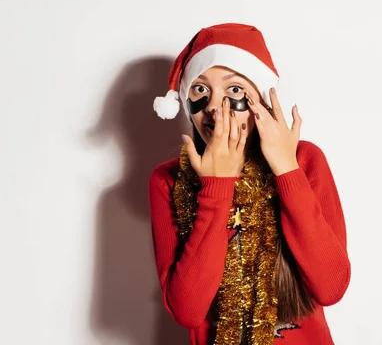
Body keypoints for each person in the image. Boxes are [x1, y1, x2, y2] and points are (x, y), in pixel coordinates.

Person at [148, 22, 351, 345]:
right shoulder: (168, 179)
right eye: (200, 90)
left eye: (235, 90)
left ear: (260, 99)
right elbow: (187, 311)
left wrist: (286, 170)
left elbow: (331, 287)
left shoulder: (305, 160)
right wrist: (217, 185)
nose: (215, 106)